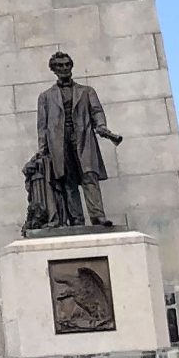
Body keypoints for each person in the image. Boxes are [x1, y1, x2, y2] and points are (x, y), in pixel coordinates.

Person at [32, 51, 122, 228]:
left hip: (83, 138)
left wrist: (102, 126)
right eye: (60, 65)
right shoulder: (45, 96)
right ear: (54, 70)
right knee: (68, 181)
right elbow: (42, 126)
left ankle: (98, 216)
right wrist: (43, 150)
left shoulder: (86, 91)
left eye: (67, 64)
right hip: (59, 143)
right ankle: (76, 219)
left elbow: (97, 111)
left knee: (89, 176)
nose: (64, 68)